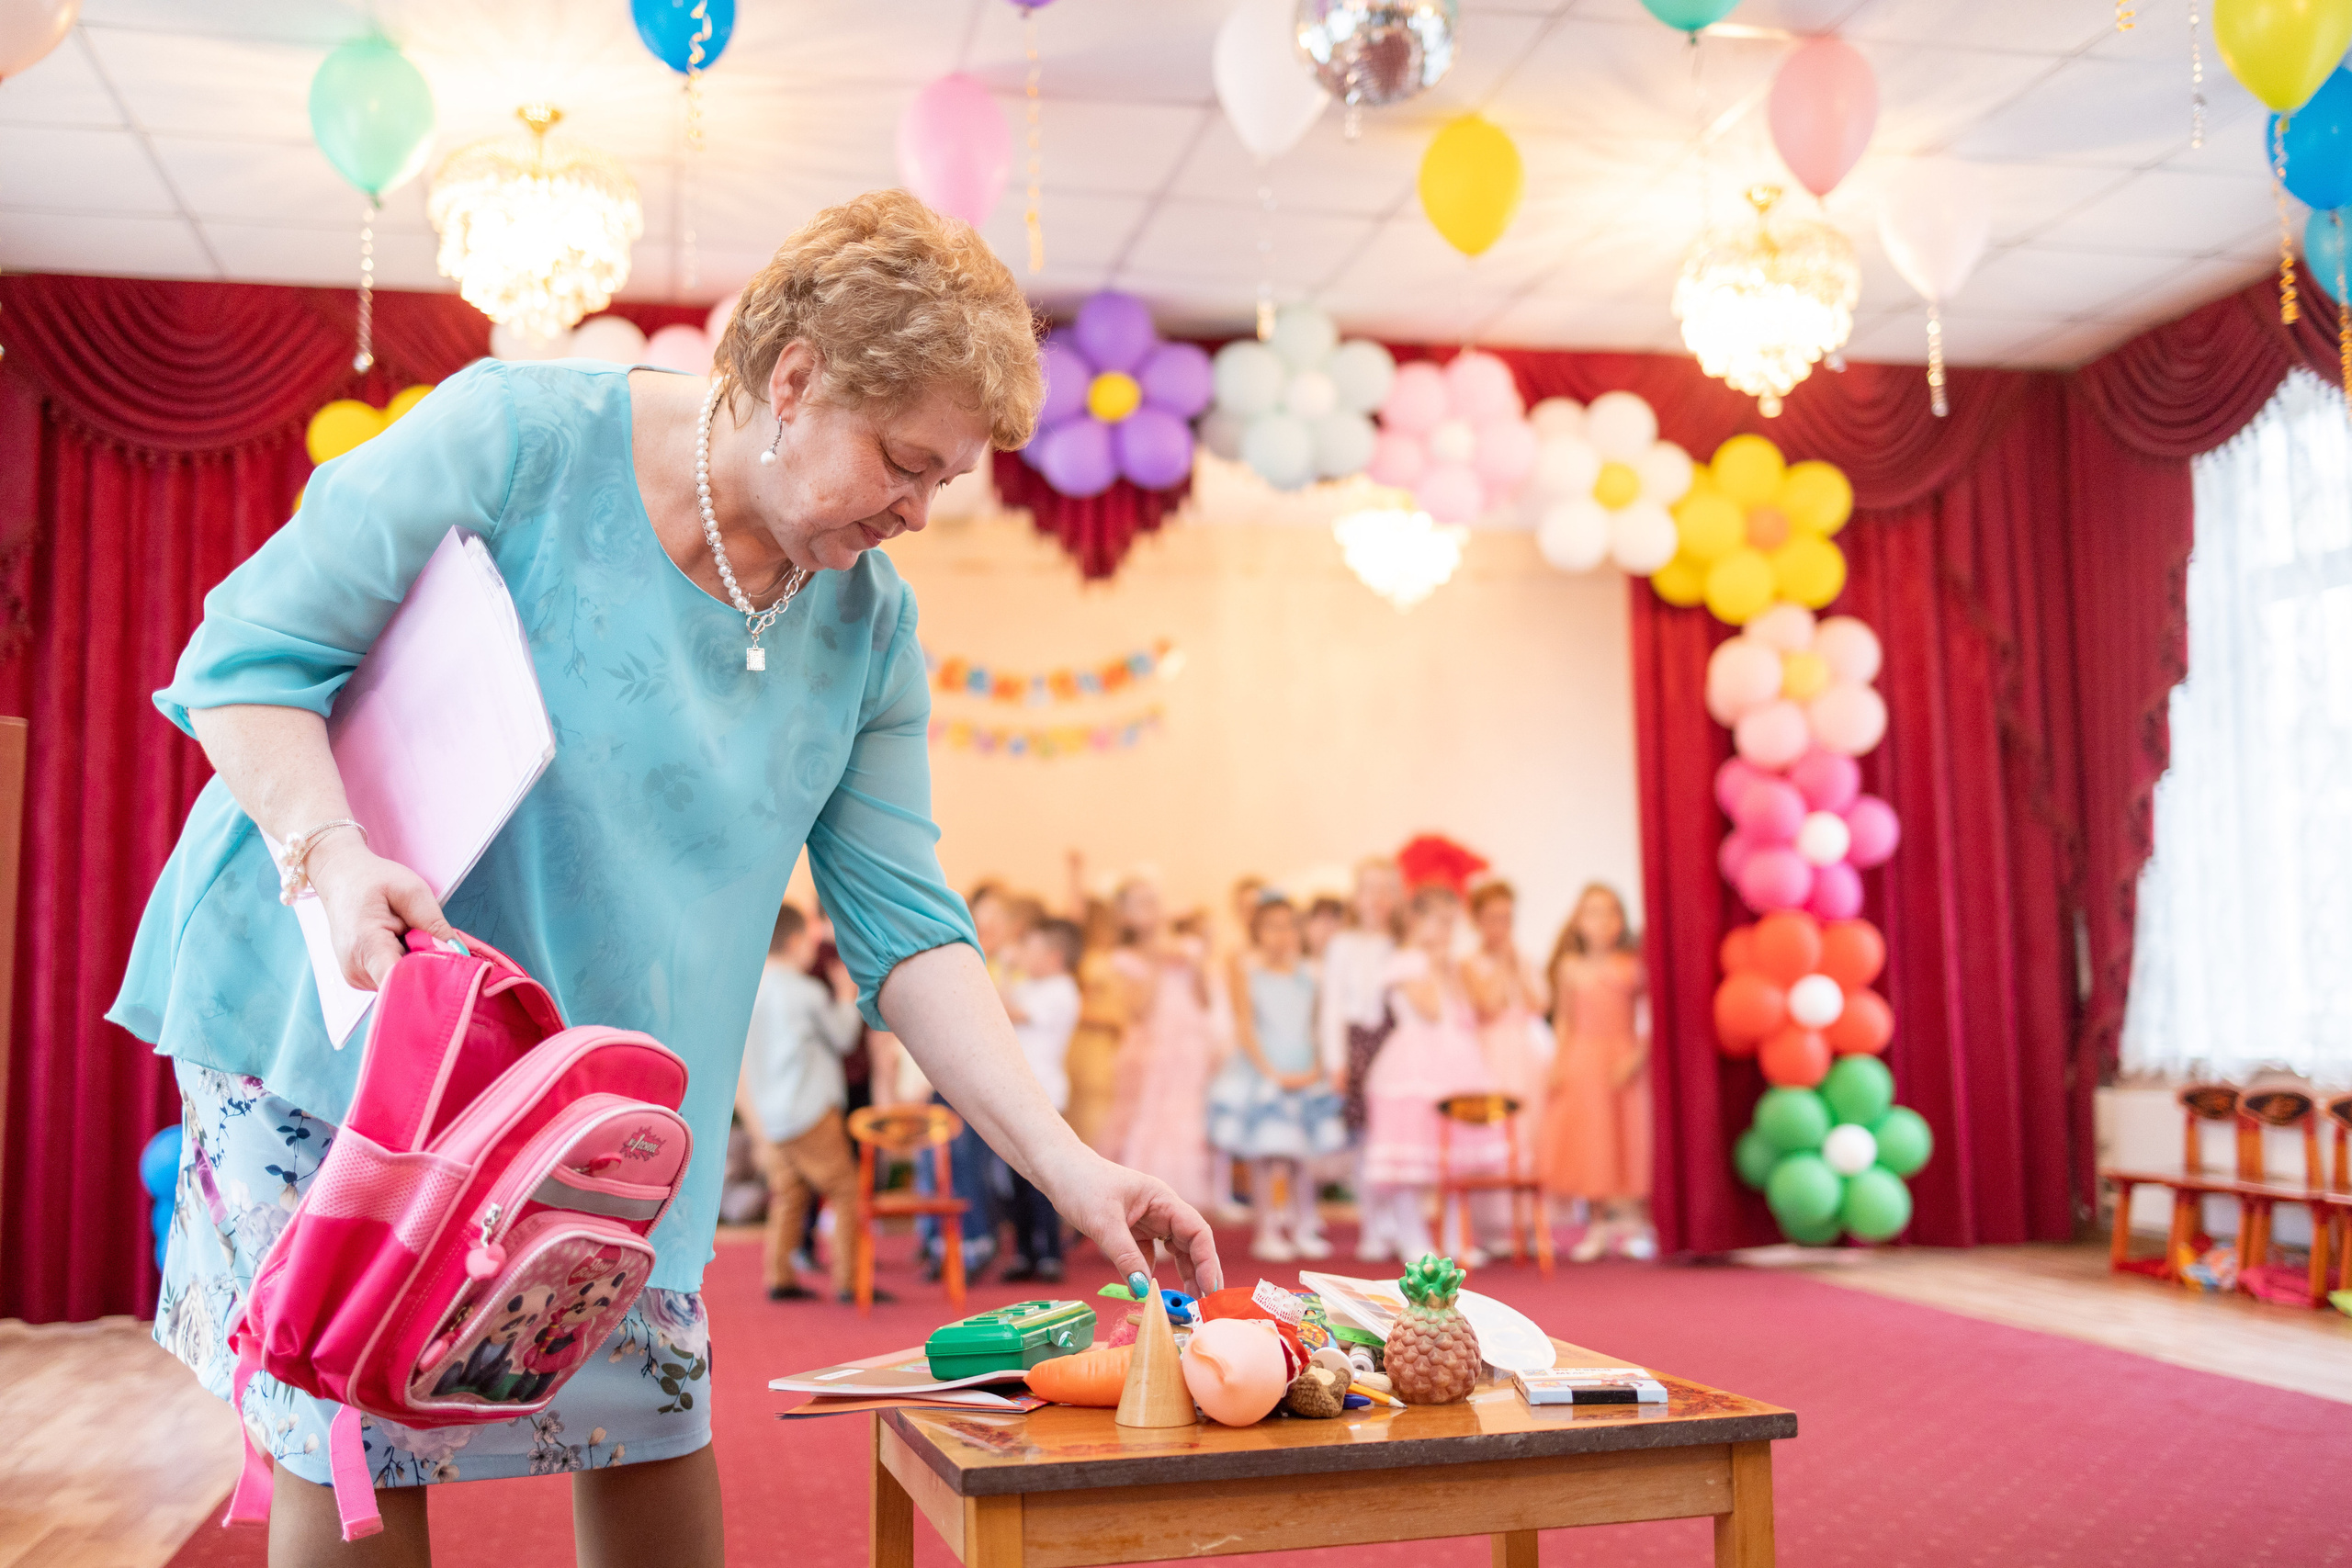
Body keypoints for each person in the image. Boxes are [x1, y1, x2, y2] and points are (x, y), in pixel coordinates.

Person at [117, 190, 1221, 1567]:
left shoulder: (867, 626)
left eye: (945, 478)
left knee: (649, 1416)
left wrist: (1067, 1163)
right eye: (902, 460)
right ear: (796, 378)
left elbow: (911, 932)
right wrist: (331, 858)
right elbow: (248, 658)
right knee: (356, 1442)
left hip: (604, 1098)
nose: (920, 511)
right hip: (347, 1013)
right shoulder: (516, 437)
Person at [1361, 886, 1506, 1265]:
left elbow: (1466, 1011)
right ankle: (1414, 1237)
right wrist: (1436, 966)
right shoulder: (1406, 962)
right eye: (1439, 921)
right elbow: (1427, 1009)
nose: (1445, 932)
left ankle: (1456, 1239)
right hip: (1414, 1063)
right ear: (1415, 919)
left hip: (1457, 1060)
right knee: (1410, 1158)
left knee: (1454, 1159)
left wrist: (1450, 971)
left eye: (1451, 924)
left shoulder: (1448, 965)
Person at [735, 901, 866, 1303]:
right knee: (845, 1191)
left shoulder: (750, 990)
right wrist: (847, 996)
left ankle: (779, 1276)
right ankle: (849, 1282)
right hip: (810, 1109)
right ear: (795, 942)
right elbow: (844, 1037)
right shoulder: (806, 992)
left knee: (789, 1194)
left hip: (772, 1113)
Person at [1206, 897, 1345, 1261]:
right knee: (1266, 1154)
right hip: (1263, 1068)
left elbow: (1317, 1025)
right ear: (1257, 932)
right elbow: (1245, 1024)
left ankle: (1303, 1226)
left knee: (1302, 1154)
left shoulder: (1310, 974)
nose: (1281, 935)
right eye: (1271, 926)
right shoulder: (1247, 971)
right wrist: (1270, 1071)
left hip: (1303, 1065)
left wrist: (1316, 1066)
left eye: (1288, 926)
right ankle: (1267, 1228)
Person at [1540, 883, 1653, 1262]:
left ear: (1621, 919)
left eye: (1609, 911)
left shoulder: (1633, 965)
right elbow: (1565, 1021)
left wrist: (1638, 1055)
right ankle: (1599, 1225)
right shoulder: (1570, 968)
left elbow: (1650, 1015)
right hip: (1583, 1059)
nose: (1601, 921)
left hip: (1622, 1055)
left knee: (1630, 1137)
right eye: (1592, 911)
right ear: (1578, 920)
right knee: (1593, 1142)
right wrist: (1559, 1063)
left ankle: (1637, 1224)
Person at [1106, 878, 1218, 1213]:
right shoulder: (1124, 959)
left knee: (1183, 1125)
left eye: (1153, 901)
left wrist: (1195, 963)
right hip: (1149, 1054)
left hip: (1186, 1051)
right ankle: (1146, 1209)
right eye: (1139, 904)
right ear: (1124, 916)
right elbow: (1137, 1010)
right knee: (1148, 1125)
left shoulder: (1189, 948)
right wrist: (1156, 963)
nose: (1150, 910)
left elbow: (1204, 1001)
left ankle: (1180, 1208)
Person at [1317, 857, 1406, 1260]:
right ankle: (1373, 1222)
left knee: (1399, 1137)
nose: (1378, 898)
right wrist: (1336, 1061)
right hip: (1357, 1045)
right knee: (1365, 1139)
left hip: (1398, 1042)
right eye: (1369, 888)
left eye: (1387, 888)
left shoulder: (1404, 941)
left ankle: (1401, 1222)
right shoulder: (1343, 944)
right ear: (1357, 895)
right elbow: (1332, 1004)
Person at [999, 918, 1084, 1281]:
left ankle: (1050, 1253)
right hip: (1018, 1093)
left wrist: (1003, 968)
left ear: (1053, 956)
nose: (1022, 957)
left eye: (1029, 950)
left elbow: (1003, 1011)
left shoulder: (1061, 990)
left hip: (1045, 1093)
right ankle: (1024, 1253)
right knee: (1017, 1180)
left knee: (1044, 1181)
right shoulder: (1030, 986)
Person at [1461, 880, 1552, 1204]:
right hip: (1493, 1051)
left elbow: (1540, 1002)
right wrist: (1501, 963)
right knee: (1500, 1128)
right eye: (1493, 918)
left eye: (1507, 918)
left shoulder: (1524, 958)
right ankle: (1497, 1218)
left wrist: (1518, 965)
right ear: (1477, 920)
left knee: (1537, 1125)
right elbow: (1489, 1003)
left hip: (1530, 1049)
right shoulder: (1468, 964)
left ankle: (1537, 1215)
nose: (1501, 927)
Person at [1064, 895, 1129, 1153]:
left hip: (1103, 1048)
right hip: (1085, 1046)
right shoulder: (1088, 960)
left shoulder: (1116, 961)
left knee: (1098, 1111)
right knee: (1081, 1109)